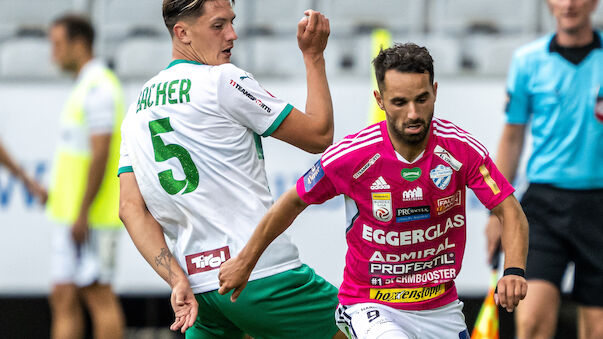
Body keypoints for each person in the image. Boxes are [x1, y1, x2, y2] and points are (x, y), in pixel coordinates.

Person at [218, 43, 530, 339]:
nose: (412, 114)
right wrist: (246, 261)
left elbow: (510, 210)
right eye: (399, 102)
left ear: (435, 93)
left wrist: (514, 269)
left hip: (440, 307)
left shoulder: (461, 149)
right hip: (371, 305)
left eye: (421, 99)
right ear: (380, 100)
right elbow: (293, 201)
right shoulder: (351, 156)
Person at [118, 0, 345, 337]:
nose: (232, 35)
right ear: (182, 33)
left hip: (201, 290)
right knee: (370, 327)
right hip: (260, 275)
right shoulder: (223, 79)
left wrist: (176, 278)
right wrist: (314, 56)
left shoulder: (136, 108)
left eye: (232, 22)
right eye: (218, 25)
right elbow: (319, 135)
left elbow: (129, 209)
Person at [485, 0, 603, 338]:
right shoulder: (527, 60)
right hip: (544, 207)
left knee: (597, 330)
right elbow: (512, 138)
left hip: (599, 206)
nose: (569, 4)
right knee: (533, 322)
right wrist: (498, 214)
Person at [46, 14, 125, 339]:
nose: (53, 54)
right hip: (71, 215)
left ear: (79, 44)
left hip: (92, 216)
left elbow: (102, 153)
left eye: (58, 45)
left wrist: (83, 211)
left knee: (98, 295)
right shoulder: (85, 85)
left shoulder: (100, 87)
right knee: (63, 295)